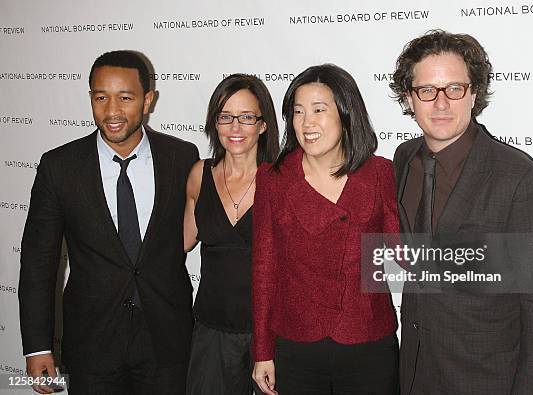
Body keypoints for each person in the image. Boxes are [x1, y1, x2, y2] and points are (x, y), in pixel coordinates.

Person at [390, 30, 533, 394]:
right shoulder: (404, 160)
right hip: (414, 373)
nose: (441, 103)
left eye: (454, 89)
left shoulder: (522, 180)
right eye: (427, 90)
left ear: (473, 93)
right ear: (410, 98)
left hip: (487, 379)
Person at [19, 50, 199, 394]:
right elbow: (38, 262)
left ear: (148, 100)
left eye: (125, 98)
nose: (112, 111)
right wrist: (38, 346)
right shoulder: (59, 167)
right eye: (101, 97)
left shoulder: (182, 157)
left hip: (167, 342)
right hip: (91, 345)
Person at [252, 64, 400, 395]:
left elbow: (400, 254)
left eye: (319, 109)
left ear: (346, 114)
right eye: (298, 112)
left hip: (367, 342)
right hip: (296, 343)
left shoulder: (380, 173)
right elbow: (265, 270)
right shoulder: (273, 180)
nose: (307, 122)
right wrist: (262, 351)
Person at [183, 73, 279, 394]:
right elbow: (179, 242)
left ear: (263, 125)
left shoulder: (281, 180)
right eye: (225, 117)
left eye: (246, 117)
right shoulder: (199, 174)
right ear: (215, 123)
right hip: (212, 332)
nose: (235, 127)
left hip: (271, 334)